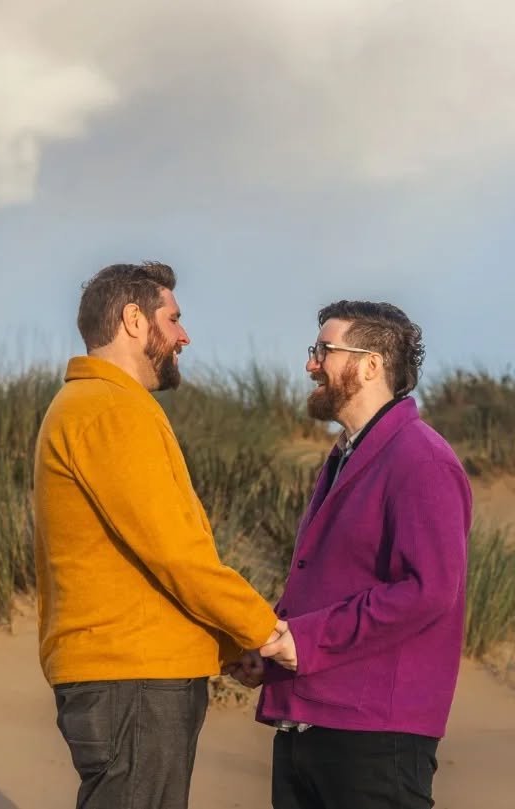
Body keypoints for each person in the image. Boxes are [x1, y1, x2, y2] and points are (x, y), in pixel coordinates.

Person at [33, 261, 283, 809]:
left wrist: (225, 644)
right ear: (133, 320)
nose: (184, 335)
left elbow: (138, 560)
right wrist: (262, 629)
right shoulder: (110, 409)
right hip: (133, 680)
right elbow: (174, 552)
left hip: (130, 675)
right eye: (173, 319)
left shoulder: (96, 406)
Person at [227, 300, 472, 809]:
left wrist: (307, 640)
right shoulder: (347, 455)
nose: (311, 364)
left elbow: (428, 592)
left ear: (370, 365)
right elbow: (334, 582)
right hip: (307, 728)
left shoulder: (420, 458)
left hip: (374, 740)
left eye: (324, 350)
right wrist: (271, 655)